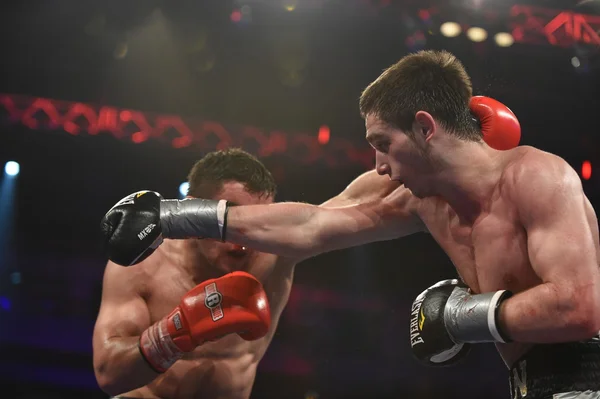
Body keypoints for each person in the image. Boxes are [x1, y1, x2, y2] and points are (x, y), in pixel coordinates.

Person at [101, 50, 600, 399]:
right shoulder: (420, 199)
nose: (379, 164)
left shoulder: (536, 176)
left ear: (425, 128)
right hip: (531, 384)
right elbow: (312, 224)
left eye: (383, 143)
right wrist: (172, 215)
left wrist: (458, 318)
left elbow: (580, 306)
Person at [94, 148, 411, 399]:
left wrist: (428, 153)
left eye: (254, 221)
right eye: (231, 217)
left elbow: (362, 199)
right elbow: (109, 373)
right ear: (194, 211)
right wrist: (174, 333)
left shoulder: (277, 251)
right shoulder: (145, 264)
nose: (243, 240)